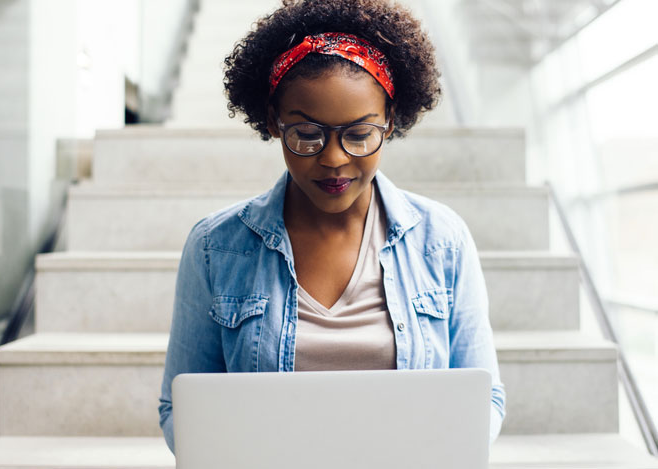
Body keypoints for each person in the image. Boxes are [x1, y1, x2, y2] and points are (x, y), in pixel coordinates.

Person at [159, 0, 505, 455]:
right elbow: (179, 410)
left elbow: (486, 401)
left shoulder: (442, 240)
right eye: (306, 134)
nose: (334, 158)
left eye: (360, 134)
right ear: (272, 122)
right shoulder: (215, 247)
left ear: (390, 122)